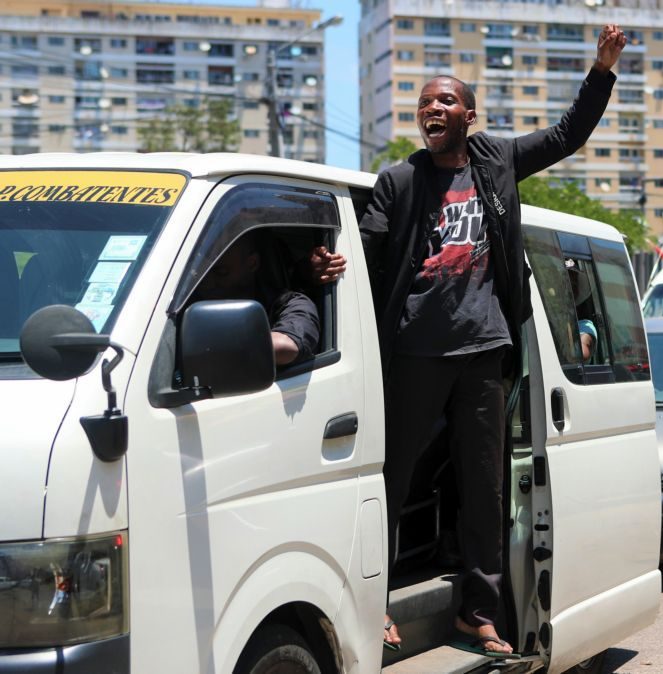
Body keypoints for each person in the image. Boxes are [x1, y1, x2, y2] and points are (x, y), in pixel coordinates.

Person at [360, 24, 627, 655]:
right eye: (426, 102)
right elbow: (365, 248)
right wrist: (324, 267)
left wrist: (603, 69)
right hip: (416, 354)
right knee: (390, 484)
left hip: (484, 352)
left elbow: (568, 136)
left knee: (486, 489)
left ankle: (476, 613)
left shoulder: (497, 161)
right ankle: (370, 606)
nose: (433, 108)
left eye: (445, 100)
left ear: (469, 116)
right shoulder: (400, 182)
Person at [193, 232, 320, 366]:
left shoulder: (290, 303)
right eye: (202, 273)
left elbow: (286, 345)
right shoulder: (184, 302)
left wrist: (209, 349)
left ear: (252, 264)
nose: (208, 282)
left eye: (221, 272)